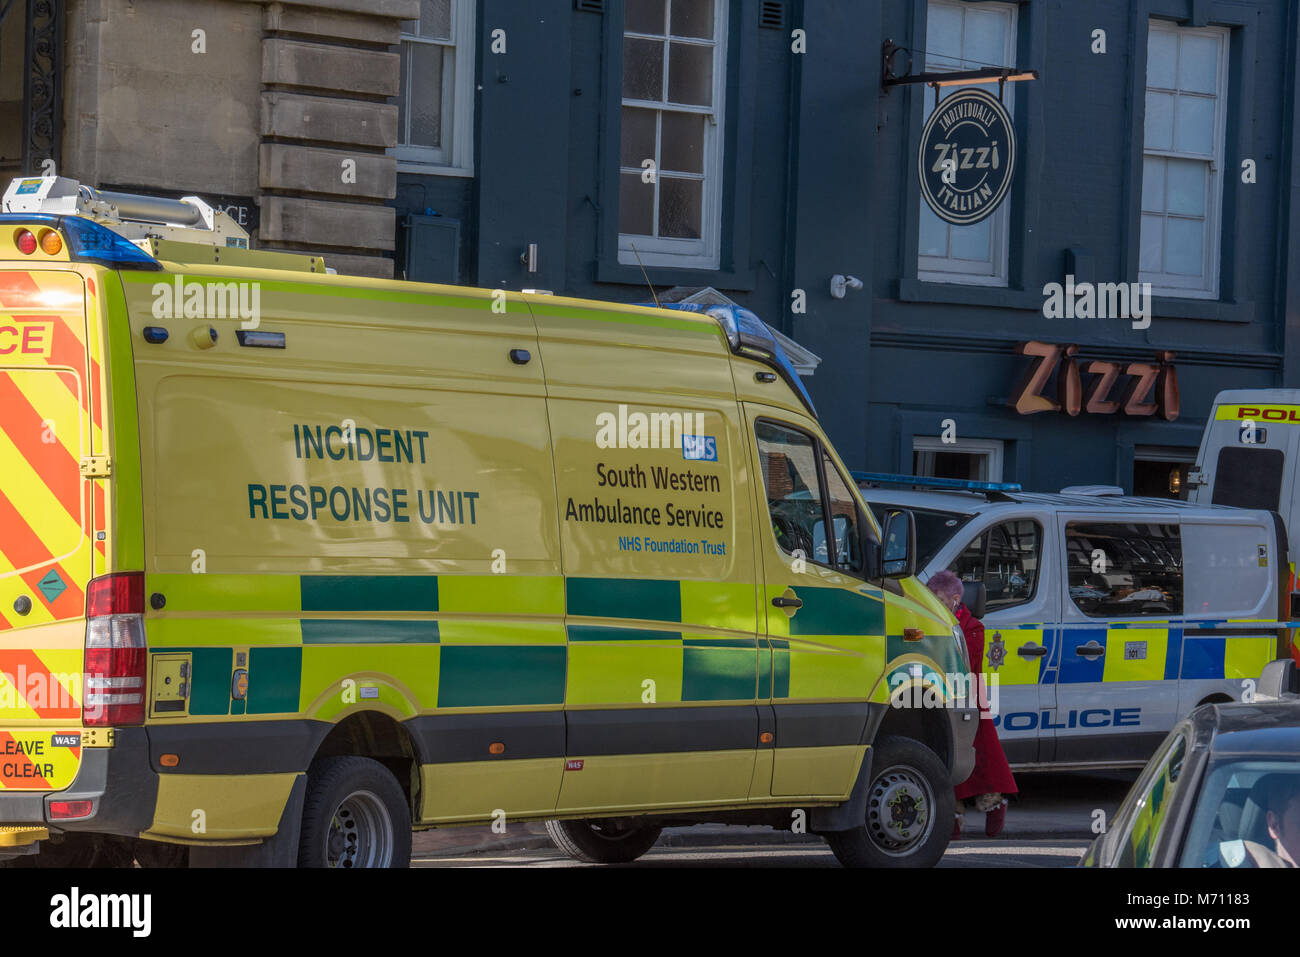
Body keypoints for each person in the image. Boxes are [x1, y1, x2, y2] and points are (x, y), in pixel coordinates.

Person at [926, 570, 1018, 839]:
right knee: (947, 760)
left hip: (968, 700)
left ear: (955, 599)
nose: (936, 605)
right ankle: (953, 816)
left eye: (940, 600)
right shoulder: (936, 622)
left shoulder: (972, 627)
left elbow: (966, 666)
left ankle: (993, 805)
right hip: (939, 699)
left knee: (983, 761)